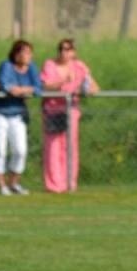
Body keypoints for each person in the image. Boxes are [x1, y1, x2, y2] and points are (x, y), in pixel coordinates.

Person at [41, 38, 101, 194]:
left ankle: (69, 182)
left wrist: (88, 90)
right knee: (54, 147)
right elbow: (46, 86)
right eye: (61, 49)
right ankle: (55, 184)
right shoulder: (50, 65)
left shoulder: (79, 67)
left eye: (68, 49)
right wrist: (62, 80)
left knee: (70, 147)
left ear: (74, 51)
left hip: (71, 110)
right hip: (53, 110)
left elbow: (93, 86)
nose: (64, 52)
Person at [0, 40, 41, 196]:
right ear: (16, 54)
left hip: (17, 113)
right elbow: (6, 86)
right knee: (1, 149)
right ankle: (1, 184)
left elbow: (37, 88)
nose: (28, 56)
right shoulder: (6, 65)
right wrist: (21, 90)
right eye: (25, 52)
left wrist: (23, 90)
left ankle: (14, 182)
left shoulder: (31, 68)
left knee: (20, 150)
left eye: (30, 53)